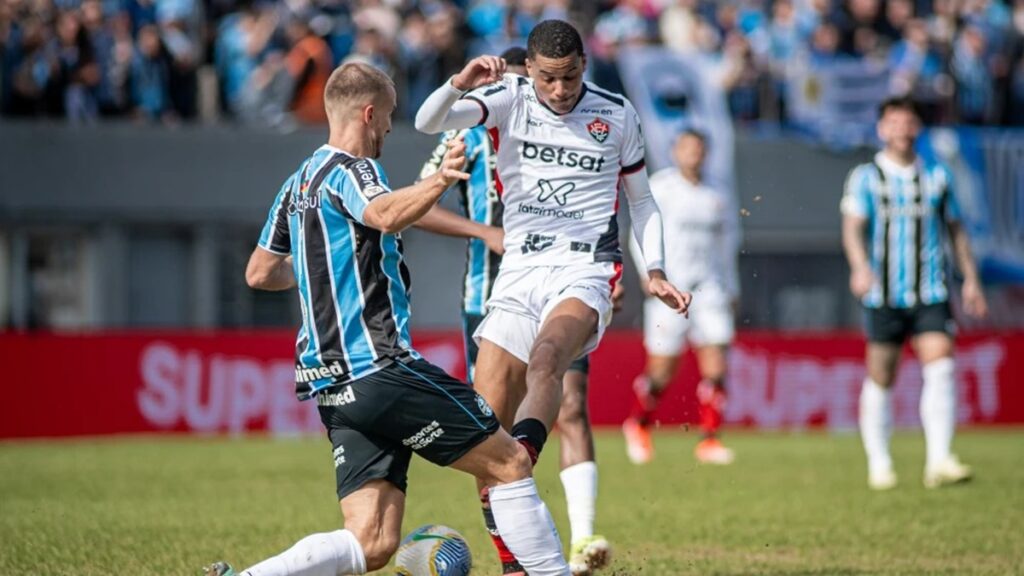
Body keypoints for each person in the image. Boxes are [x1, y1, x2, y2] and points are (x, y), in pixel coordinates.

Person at [204, 62, 572, 576]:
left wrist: (319, 268)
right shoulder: (355, 170)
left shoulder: (298, 182)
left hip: (331, 389)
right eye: (390, 116)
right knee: (509, 462)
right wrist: (439, 181)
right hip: (379, 368)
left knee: (373, 542)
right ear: (369, 113)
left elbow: (260, 271)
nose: (391, 128)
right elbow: (382, 214)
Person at [415, 19, 690, 576]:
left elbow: (643, 202)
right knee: (483, 424)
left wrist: (654, 270)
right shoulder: (507, 99)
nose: (559, 90)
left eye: (568, 77)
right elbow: (428, 122)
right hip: (517, 269)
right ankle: (514, 563)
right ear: (531, 71)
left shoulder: (616, 113)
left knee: (547, 362)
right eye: (547, 79)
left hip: (584, 267)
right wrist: (461, 80)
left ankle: (525, 460)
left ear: (584, 64)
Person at [840, 96, 988, 491]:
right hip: (884, 294)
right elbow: (853, 227)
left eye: (908, 122)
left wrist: (970, 279)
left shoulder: (937, 176)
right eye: (894, 122)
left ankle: (938, 459)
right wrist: (859, 267)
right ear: (881, 129)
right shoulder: (866, 176)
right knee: (881, 375)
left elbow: (956, 231)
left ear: (917, 129)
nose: (902, 129)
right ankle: (880, 462)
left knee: (941, 365)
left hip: (930, 290)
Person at [622, 129, 741, 466]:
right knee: (661, 370)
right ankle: (638, 423)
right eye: (687, 148)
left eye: (699, 148)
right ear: (675, 151)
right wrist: (650, 273)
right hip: (669, 291)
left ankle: (710, 439)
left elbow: (728, 243)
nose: (694, 154)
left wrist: (732, 287)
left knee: (716, 362)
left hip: (711, 288)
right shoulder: (661, 187)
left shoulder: (718, 192)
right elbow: (640, 231)